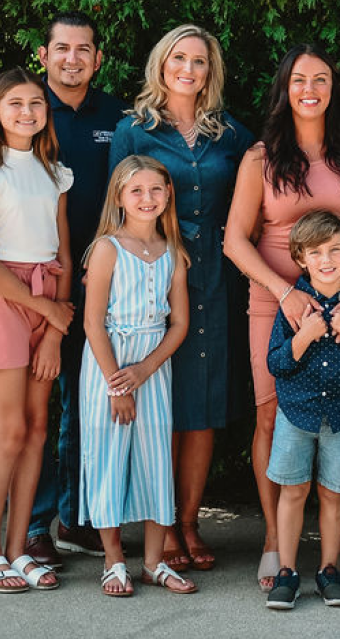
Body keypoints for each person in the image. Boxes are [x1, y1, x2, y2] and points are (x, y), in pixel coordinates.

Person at [223, 43, 340, 591]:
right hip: (276, 305)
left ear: (333, 89)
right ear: (285, 89)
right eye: (299, 79)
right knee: (272, 419)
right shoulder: (259, 159)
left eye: (321, 78)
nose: (310, 88)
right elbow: (234, 241)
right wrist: (283, 291)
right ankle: (277, 541)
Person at [109, 24, 254, 572]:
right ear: (161, 64)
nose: (187, 69)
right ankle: (160, 524)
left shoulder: (231, 135)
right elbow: (116, 212)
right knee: (161, 407)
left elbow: (247, 207)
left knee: (203, 409)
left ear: (209, 71)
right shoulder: (133, 131)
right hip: (154, 278)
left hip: (217, 280)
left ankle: (189, 522)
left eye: (199, 61)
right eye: (178, 58)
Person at [0, 67, 74, 592]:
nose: (27, 112)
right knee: (7, 432)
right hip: (4, 300)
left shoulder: (56, 174)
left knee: (36, 431)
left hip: (48, 302)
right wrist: (45, 311)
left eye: (36, 103)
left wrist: (54, 328)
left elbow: (65, 256)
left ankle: (18, 550)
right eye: (15, 103)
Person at [28, 11, 128, 568]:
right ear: (44, 55)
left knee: (87, 409)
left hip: (106, 283)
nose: (72, 58)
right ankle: (36, 525)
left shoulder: (117, 115)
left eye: (83, 49)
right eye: (61, 48)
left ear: (97, 59)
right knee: (41, 409)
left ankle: (77, 518)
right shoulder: (25, 107)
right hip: (42, 284)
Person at [78, 155, 195, 597]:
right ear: (120, 198)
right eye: (137, 191)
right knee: (108, 456)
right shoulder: (107, 248)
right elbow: (92, 324)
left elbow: (179, 324)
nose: (148, 198)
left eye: (156, 190)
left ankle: (152, 561)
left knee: (154, 460)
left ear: (168, 196)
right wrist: (117, 383)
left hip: (153, 366)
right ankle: (113, 561)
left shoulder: (173, 253)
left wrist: (145, 370)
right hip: (109, 365)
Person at [263, 210, 340, 610]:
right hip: (296, 414)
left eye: (335, 250)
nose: (327, 259)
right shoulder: (294, 304)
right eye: (315, 252)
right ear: (300, 258)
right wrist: (307, 335)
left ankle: (329, 569)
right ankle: (287, 572)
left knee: (334, 495)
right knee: (293, 490)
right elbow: (277, 363)